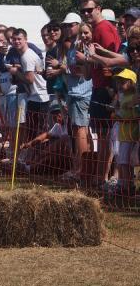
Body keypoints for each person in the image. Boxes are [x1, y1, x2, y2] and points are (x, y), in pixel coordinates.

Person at [79, 0, 121, 187]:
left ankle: (103, 177)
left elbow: (114, 61)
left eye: (90, 9)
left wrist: (113, 90)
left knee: (105, 137)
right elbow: (89, 72)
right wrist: (86, 59)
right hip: (98, 87)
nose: (87, 13)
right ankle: (101, 176)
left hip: (106, 88)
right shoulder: (96, 30)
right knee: (102, 136)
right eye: (83, 11)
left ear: (99, 8)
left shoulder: (104, 28)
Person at [60, 18, 94, 182]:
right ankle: (79, 168)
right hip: (73, 93)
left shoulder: (86, 49)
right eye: (81, 33)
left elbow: (85, 72)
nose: (83, 36)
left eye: (86, 32)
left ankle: (81, 170)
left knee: (81, 130)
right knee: (77, 130)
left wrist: (72, 67)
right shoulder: (73, 48)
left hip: (82, 94)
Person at [8, 28, 50, 144]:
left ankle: (36, 159)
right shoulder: (25, 55)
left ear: (26, 39)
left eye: (19, 39)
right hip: (35, 96)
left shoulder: (27, 56)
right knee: (33, 130)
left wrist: (16, 72)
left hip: (40, 97)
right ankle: (33, 158)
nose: (17, 42)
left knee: (36, 131)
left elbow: (30, 79)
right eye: (14, 39)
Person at [112, 69, 139, 197]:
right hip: (123, 135)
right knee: (122, 161)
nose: (119, 84)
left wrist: (121, 118)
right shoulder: (122, 97)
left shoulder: (133, 98)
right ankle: (124, 185)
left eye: (122, 81)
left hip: (130, 135)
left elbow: (135, 116)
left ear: (131, 82)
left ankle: (128, 187)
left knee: (126, 162)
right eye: (118, 81)